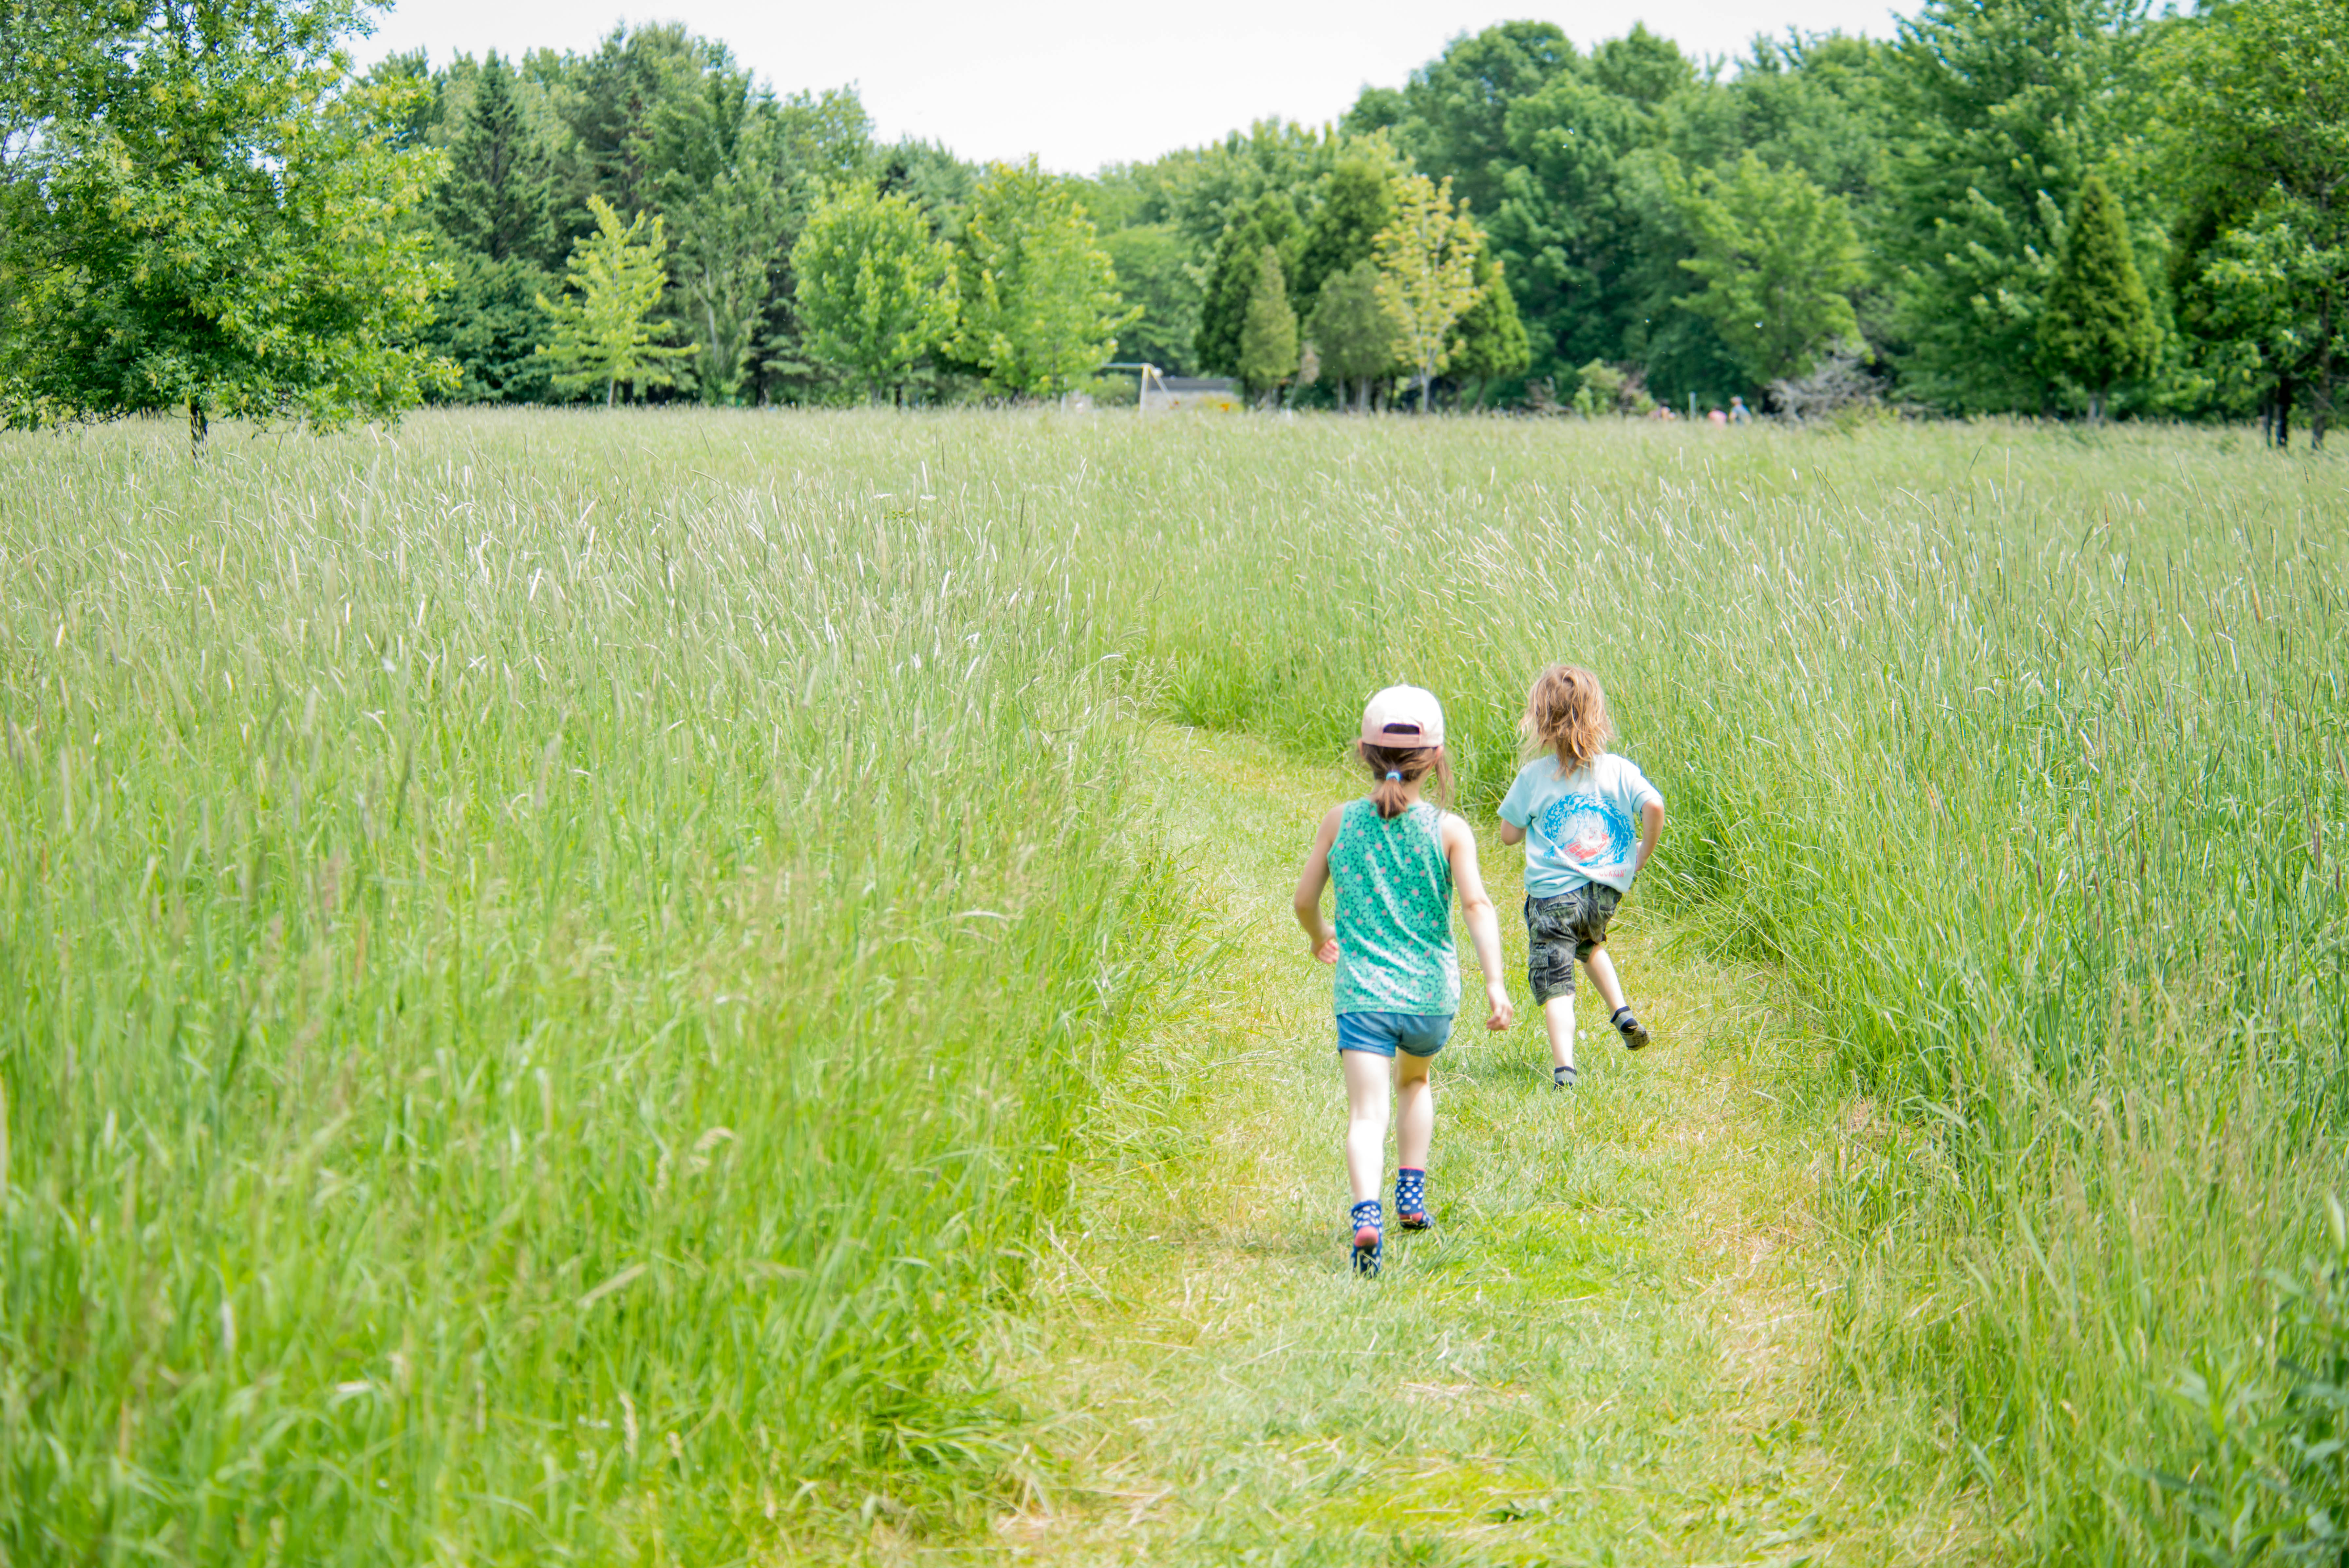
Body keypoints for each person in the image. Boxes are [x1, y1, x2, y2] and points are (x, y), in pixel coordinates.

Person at [1293, 685, 1513, 1276]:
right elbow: (1477, 906)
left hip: (1362, 994)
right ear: (1437, 759)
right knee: (1414, 1084)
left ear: (1364, 751)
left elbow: (1304, 900)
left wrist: (1320, 935)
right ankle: (1411, 1201)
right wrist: (1496, 983)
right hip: (1428, 997)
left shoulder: (1340, 822)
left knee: (1366, 1116)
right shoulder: (1449, 829)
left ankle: (1366, 1216)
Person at [1497, 666, 1666, 1089]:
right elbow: (1655, 807)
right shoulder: (1619, 770)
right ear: (1597, 717)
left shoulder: (1535, 777)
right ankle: (1622, 1012)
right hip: (1605, 894)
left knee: (1557, 983)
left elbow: (1508, 834)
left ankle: (1565, 1072)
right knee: (1588, 943)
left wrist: (1524, 821)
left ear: (1540, 721)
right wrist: (1641, 853)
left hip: (1553, 899)